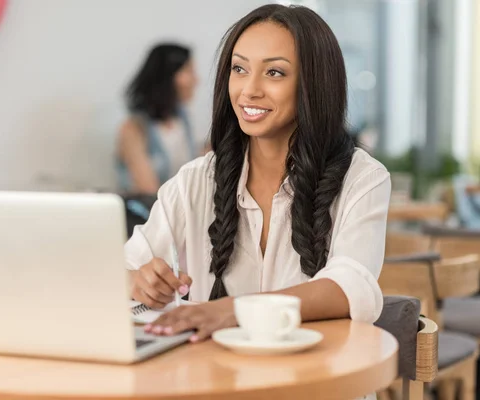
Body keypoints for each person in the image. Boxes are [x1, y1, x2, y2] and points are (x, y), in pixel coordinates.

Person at [124, 4, 391, 344]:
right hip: (220, 385)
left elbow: (351, 287)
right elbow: (122, 267)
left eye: (274, 73)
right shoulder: (195, 181)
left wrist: (229, 310)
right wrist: (136, 281)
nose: (249, 89)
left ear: (314, 84)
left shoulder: (362, 178)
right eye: (239, 69)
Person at [116, 43, 199, 195]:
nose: (196, 80)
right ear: (168, 76)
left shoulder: (182, 121)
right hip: (150, 213)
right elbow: (147, 188)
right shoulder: (134, 128)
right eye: (189, 71)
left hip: (181, 211)